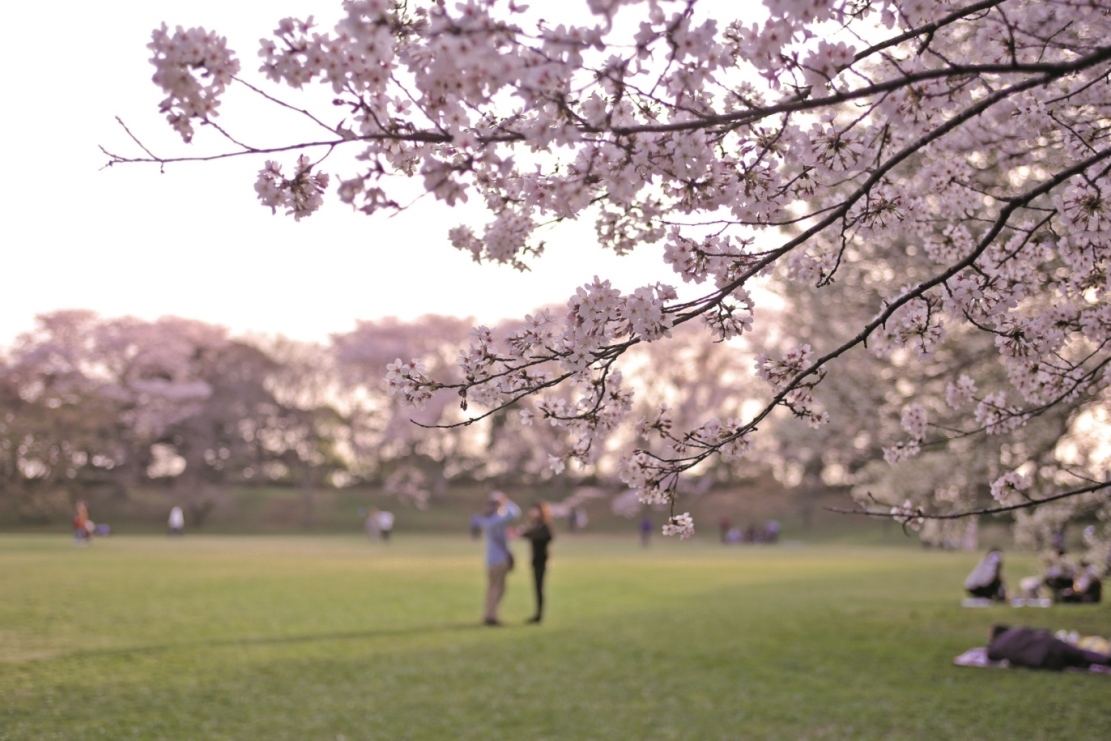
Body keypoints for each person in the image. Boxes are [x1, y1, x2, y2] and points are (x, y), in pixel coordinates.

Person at [476, 491, 520, 626]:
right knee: (498, 588)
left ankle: (489, 614)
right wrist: (505, 501)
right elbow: (515, 512)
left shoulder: (487, 520)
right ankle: (492, 616)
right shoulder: (497, 520)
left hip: (490, 559)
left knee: (492, 588)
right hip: (499, 559)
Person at [987, 624, 1111, 671]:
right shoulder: (1018, 630)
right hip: (1052, 643)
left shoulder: (997, 646)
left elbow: (990, 656)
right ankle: (1105, 659)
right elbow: (1041, 632)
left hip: (1043, 658)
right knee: (1080, 654)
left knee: (1076, 661)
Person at [520, 501, 554, 624]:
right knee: (536, 587)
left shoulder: (544, 525)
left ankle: (539, 615)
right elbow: (527, 534)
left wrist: (531, 535)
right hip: (535, 561)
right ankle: (537, 614)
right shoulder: (535, 525)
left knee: (540, 587)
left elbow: (548, 537)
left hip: (542, 561)